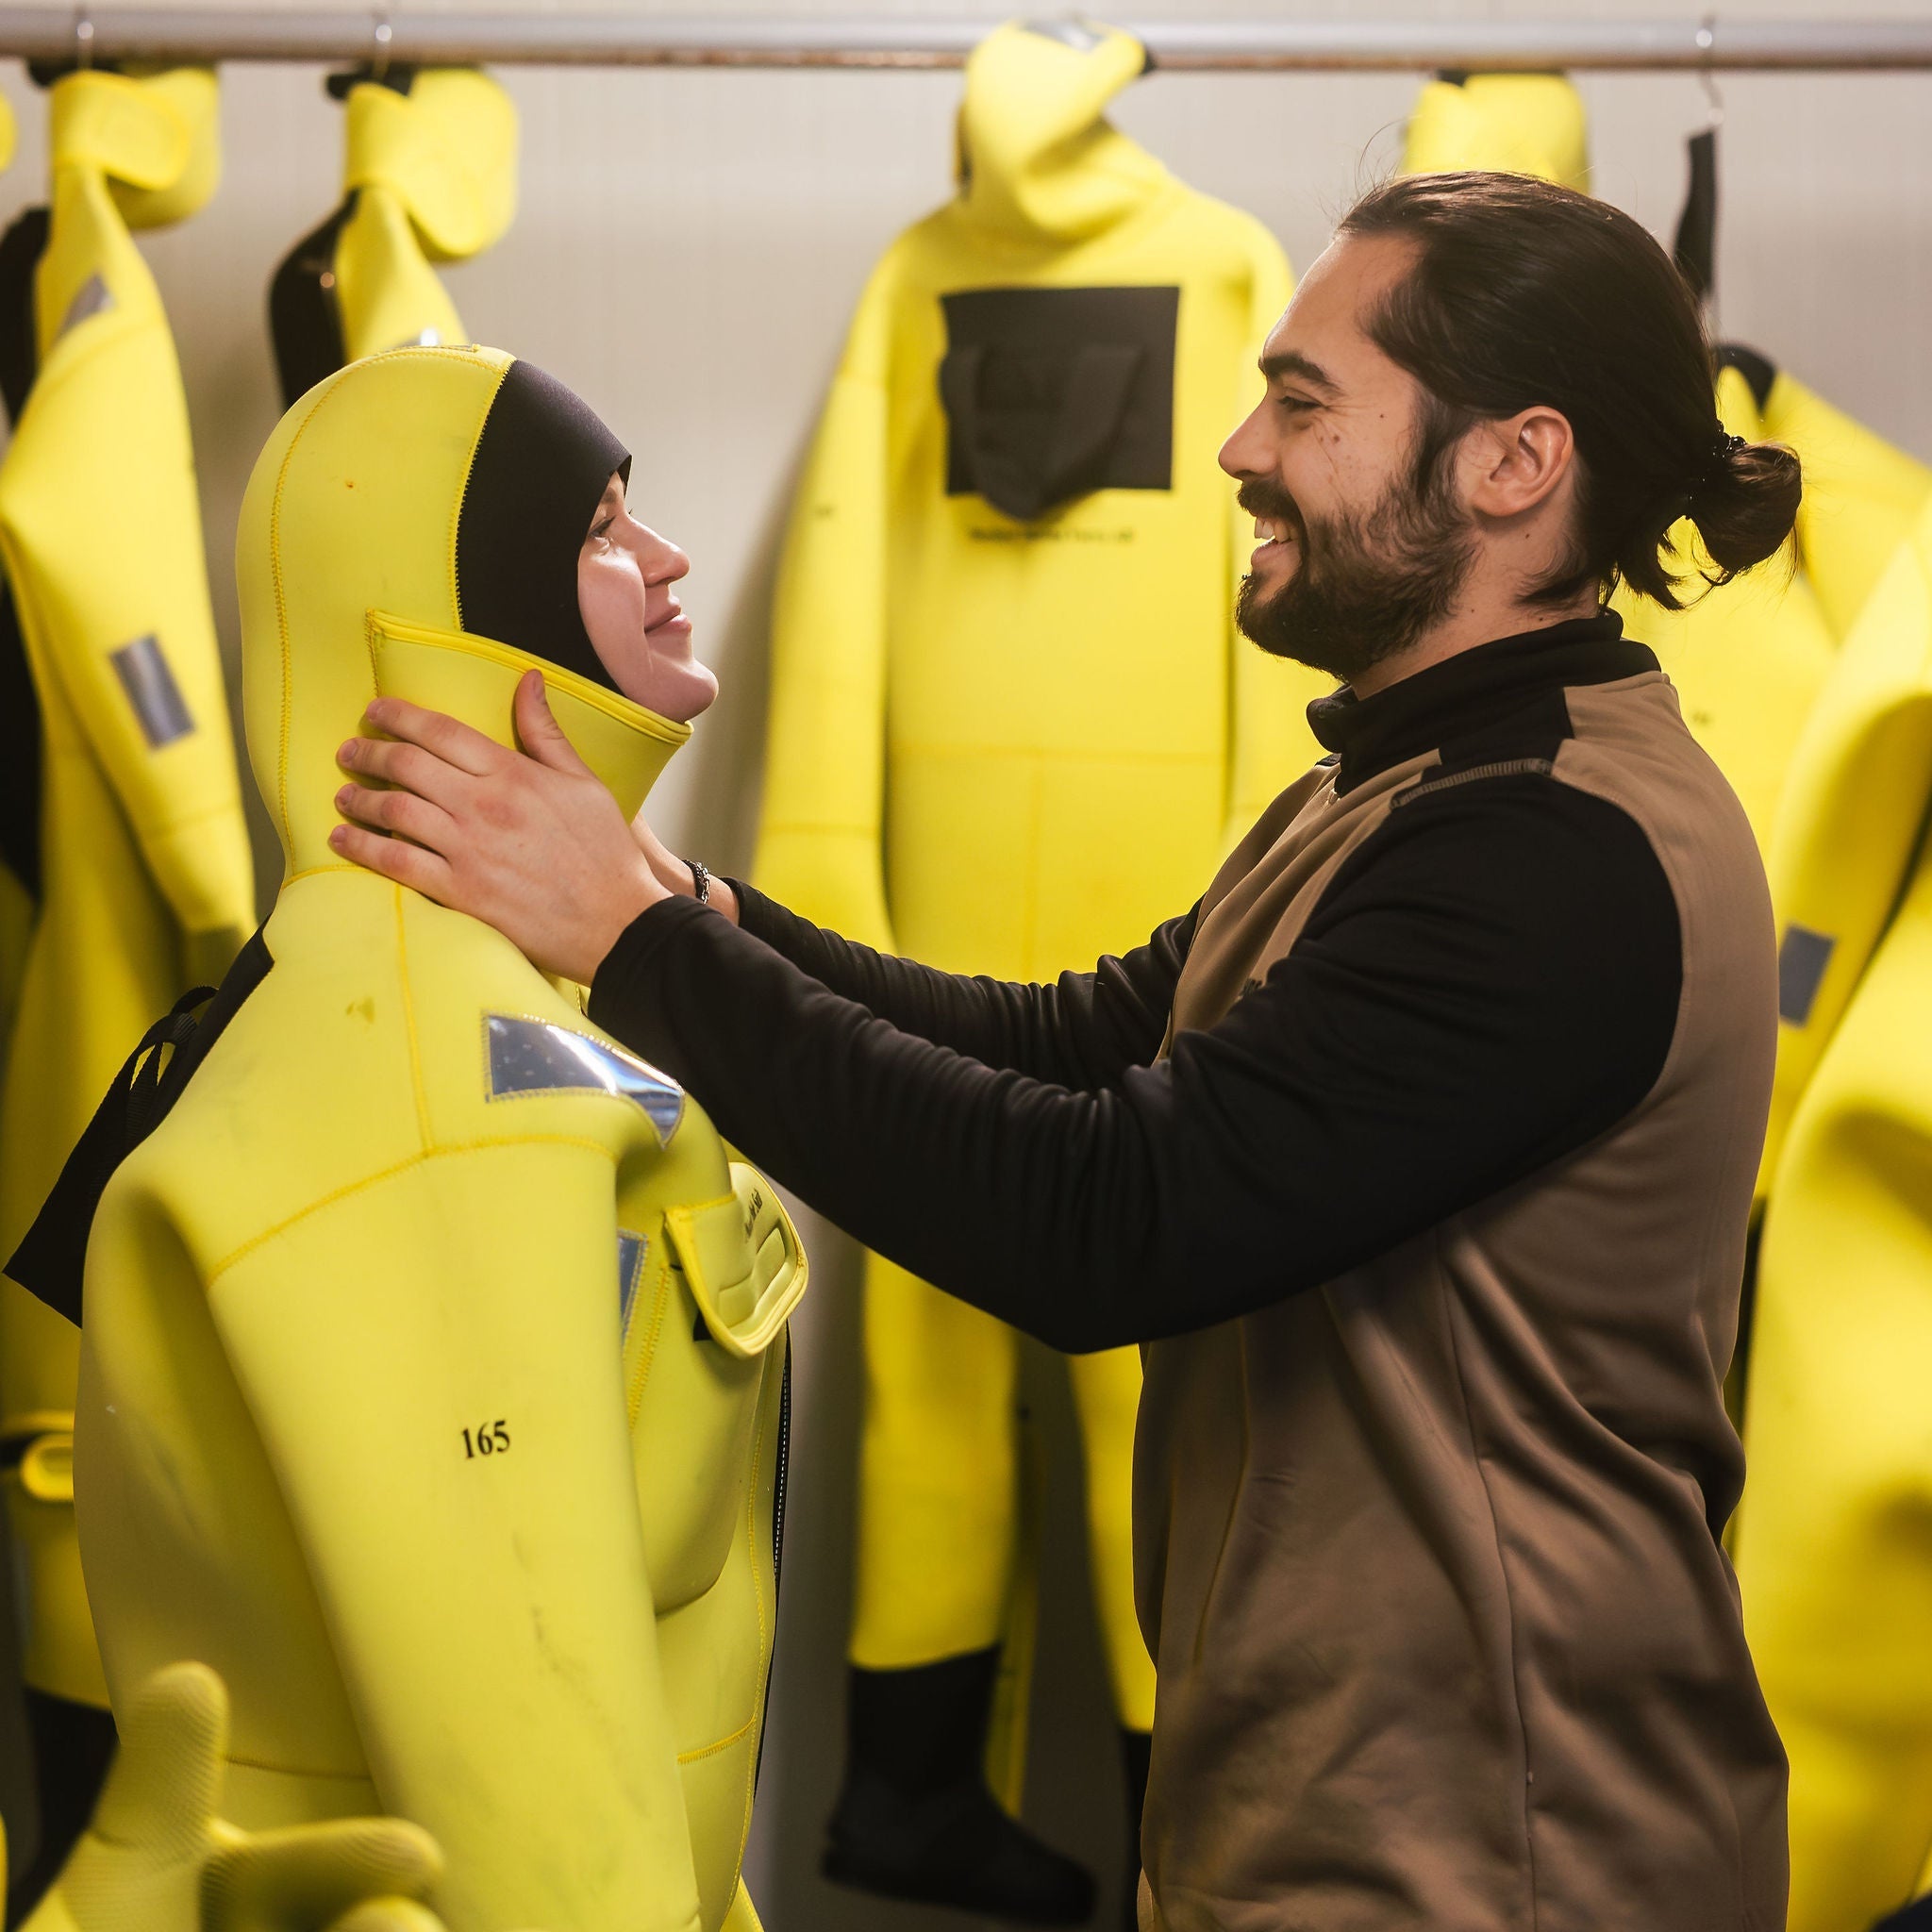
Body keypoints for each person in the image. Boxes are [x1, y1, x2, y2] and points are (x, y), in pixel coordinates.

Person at [330, 174, 1798, 1930]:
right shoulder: (1402, 783)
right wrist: (688, 905)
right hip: (1351, 1815)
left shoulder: (1555, 855)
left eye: (1307, 402)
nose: (1242, 449)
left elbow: (1110, 1216)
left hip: (1505, 1852)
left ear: (1512, 462)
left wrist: (635, 953)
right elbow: (1095, 1044)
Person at [23, 346, 804, 1932]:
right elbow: (538, 1794)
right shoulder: (433, 1067)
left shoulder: (494, 999)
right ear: (445, 614)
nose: (663, 562)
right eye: (599, 525)